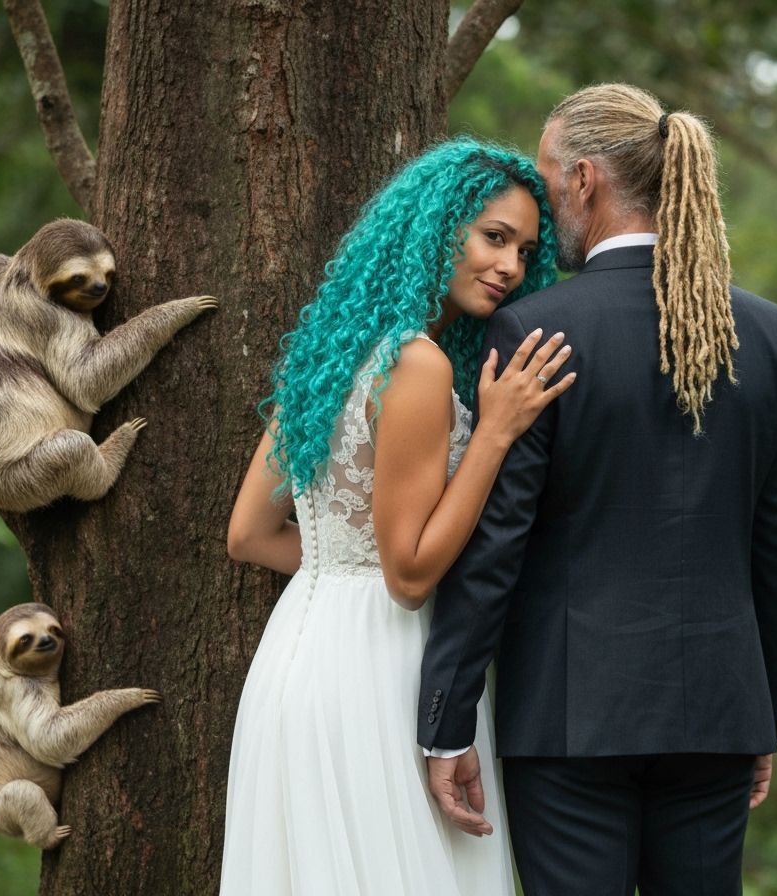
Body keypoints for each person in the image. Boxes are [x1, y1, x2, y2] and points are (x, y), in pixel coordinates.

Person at [419, 83, 777, 895]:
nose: (546, 195)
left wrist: (447, 723)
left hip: (570, 719)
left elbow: (498, 544)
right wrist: (760, 717)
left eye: (551, 174)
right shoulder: (771, 338)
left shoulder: (537, 330)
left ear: (587, 179)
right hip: (717, 716)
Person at [220, 139, 574, 896]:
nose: (511, 267)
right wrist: (494, 434)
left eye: (525, 249)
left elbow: (249, 534)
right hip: (382, 668)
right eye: (493, 236)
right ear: (437, 228)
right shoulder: (417, 365)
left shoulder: (334, 352)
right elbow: (410, 575)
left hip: (297, 660)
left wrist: (343, 570)